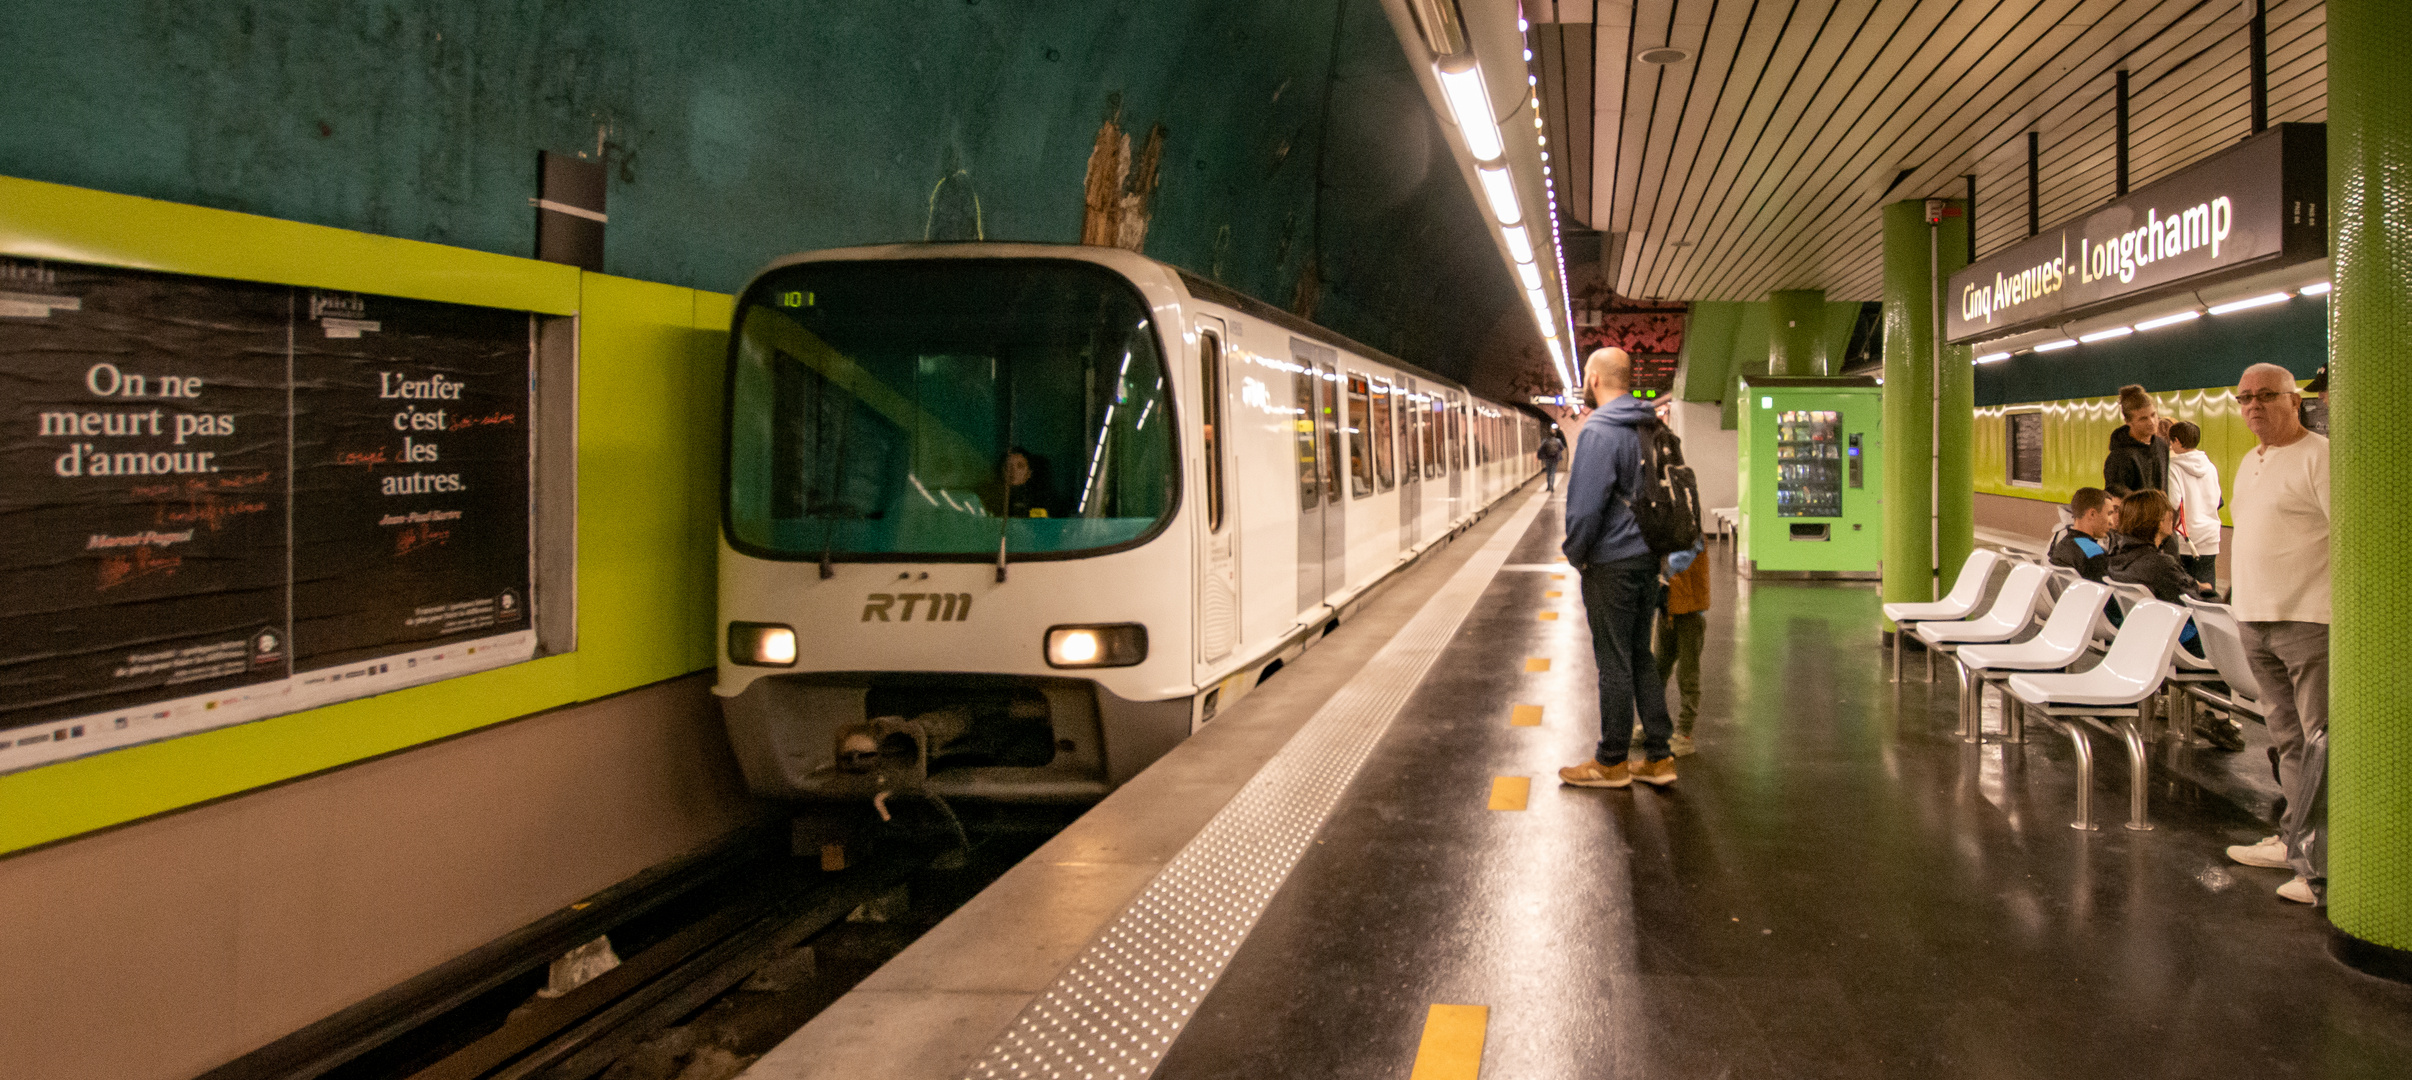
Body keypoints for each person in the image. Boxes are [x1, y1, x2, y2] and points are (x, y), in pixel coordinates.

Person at [2220, 363, 2330, 905]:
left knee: (2319, 744)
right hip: (2255, 618)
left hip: (2308, 619)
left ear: (2295, 401)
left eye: (2265, 396)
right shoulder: (2249, 461)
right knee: (2285, 739)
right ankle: (2294, 841)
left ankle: (2322, 869)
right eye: (2243, 398)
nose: (2253, 406)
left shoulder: (2322, 457)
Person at [1557, 348, 1680, 789]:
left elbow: (1585, 508)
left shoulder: (1601, 431)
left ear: (1593, 378)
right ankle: (1659, 757)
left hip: (1611, 561)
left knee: (1613, 661)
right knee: (1639, 655)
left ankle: (1611, 761)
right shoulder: (1651, 424)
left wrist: (1576, 553)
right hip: (1649, 558)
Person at [1654, 539, 1708, 757]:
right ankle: (1654, 726)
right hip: (1668, 609)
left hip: (1690, 613)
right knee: (1657, 670)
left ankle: (1685, 734)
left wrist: (1657, 573)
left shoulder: (1690, 526)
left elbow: (1682, 560)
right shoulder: (1665, 519)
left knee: (1687, 675)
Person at [2166, 421, 2224, 588]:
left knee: (2187, 590)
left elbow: (2173, 502)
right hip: (2211, 535)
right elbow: (2217, 498)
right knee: (2207, 588)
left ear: (2176, 440)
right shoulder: (2210, 467)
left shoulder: (2174, 468)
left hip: (2186, 538)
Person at [2103, 383, 2171, 498]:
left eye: (2153, 415)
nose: (2152, 422)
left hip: (2160, 513)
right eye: (2143, 419)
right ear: (2128, 421)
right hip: (2135, 515)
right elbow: (2116, 498)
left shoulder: (2161, 446)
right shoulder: (2120, 456)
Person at [2049, 487, 2116, 581]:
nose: (2111, 522)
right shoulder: (2093, 551)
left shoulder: (2061, 544)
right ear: (2092, 514)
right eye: (2109, 514)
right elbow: (2104, 593)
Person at [1538, 427, 1566, 492]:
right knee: (1553, 472)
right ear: (1555, 435)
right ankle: (1552, 486)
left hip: (1547, 458)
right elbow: (1562, 448)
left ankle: (1548, 486)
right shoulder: (1558, 441)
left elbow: (1541, 448)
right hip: (1555, 458)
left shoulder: (1545, 440)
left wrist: (1541, 456)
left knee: (1548, 472)